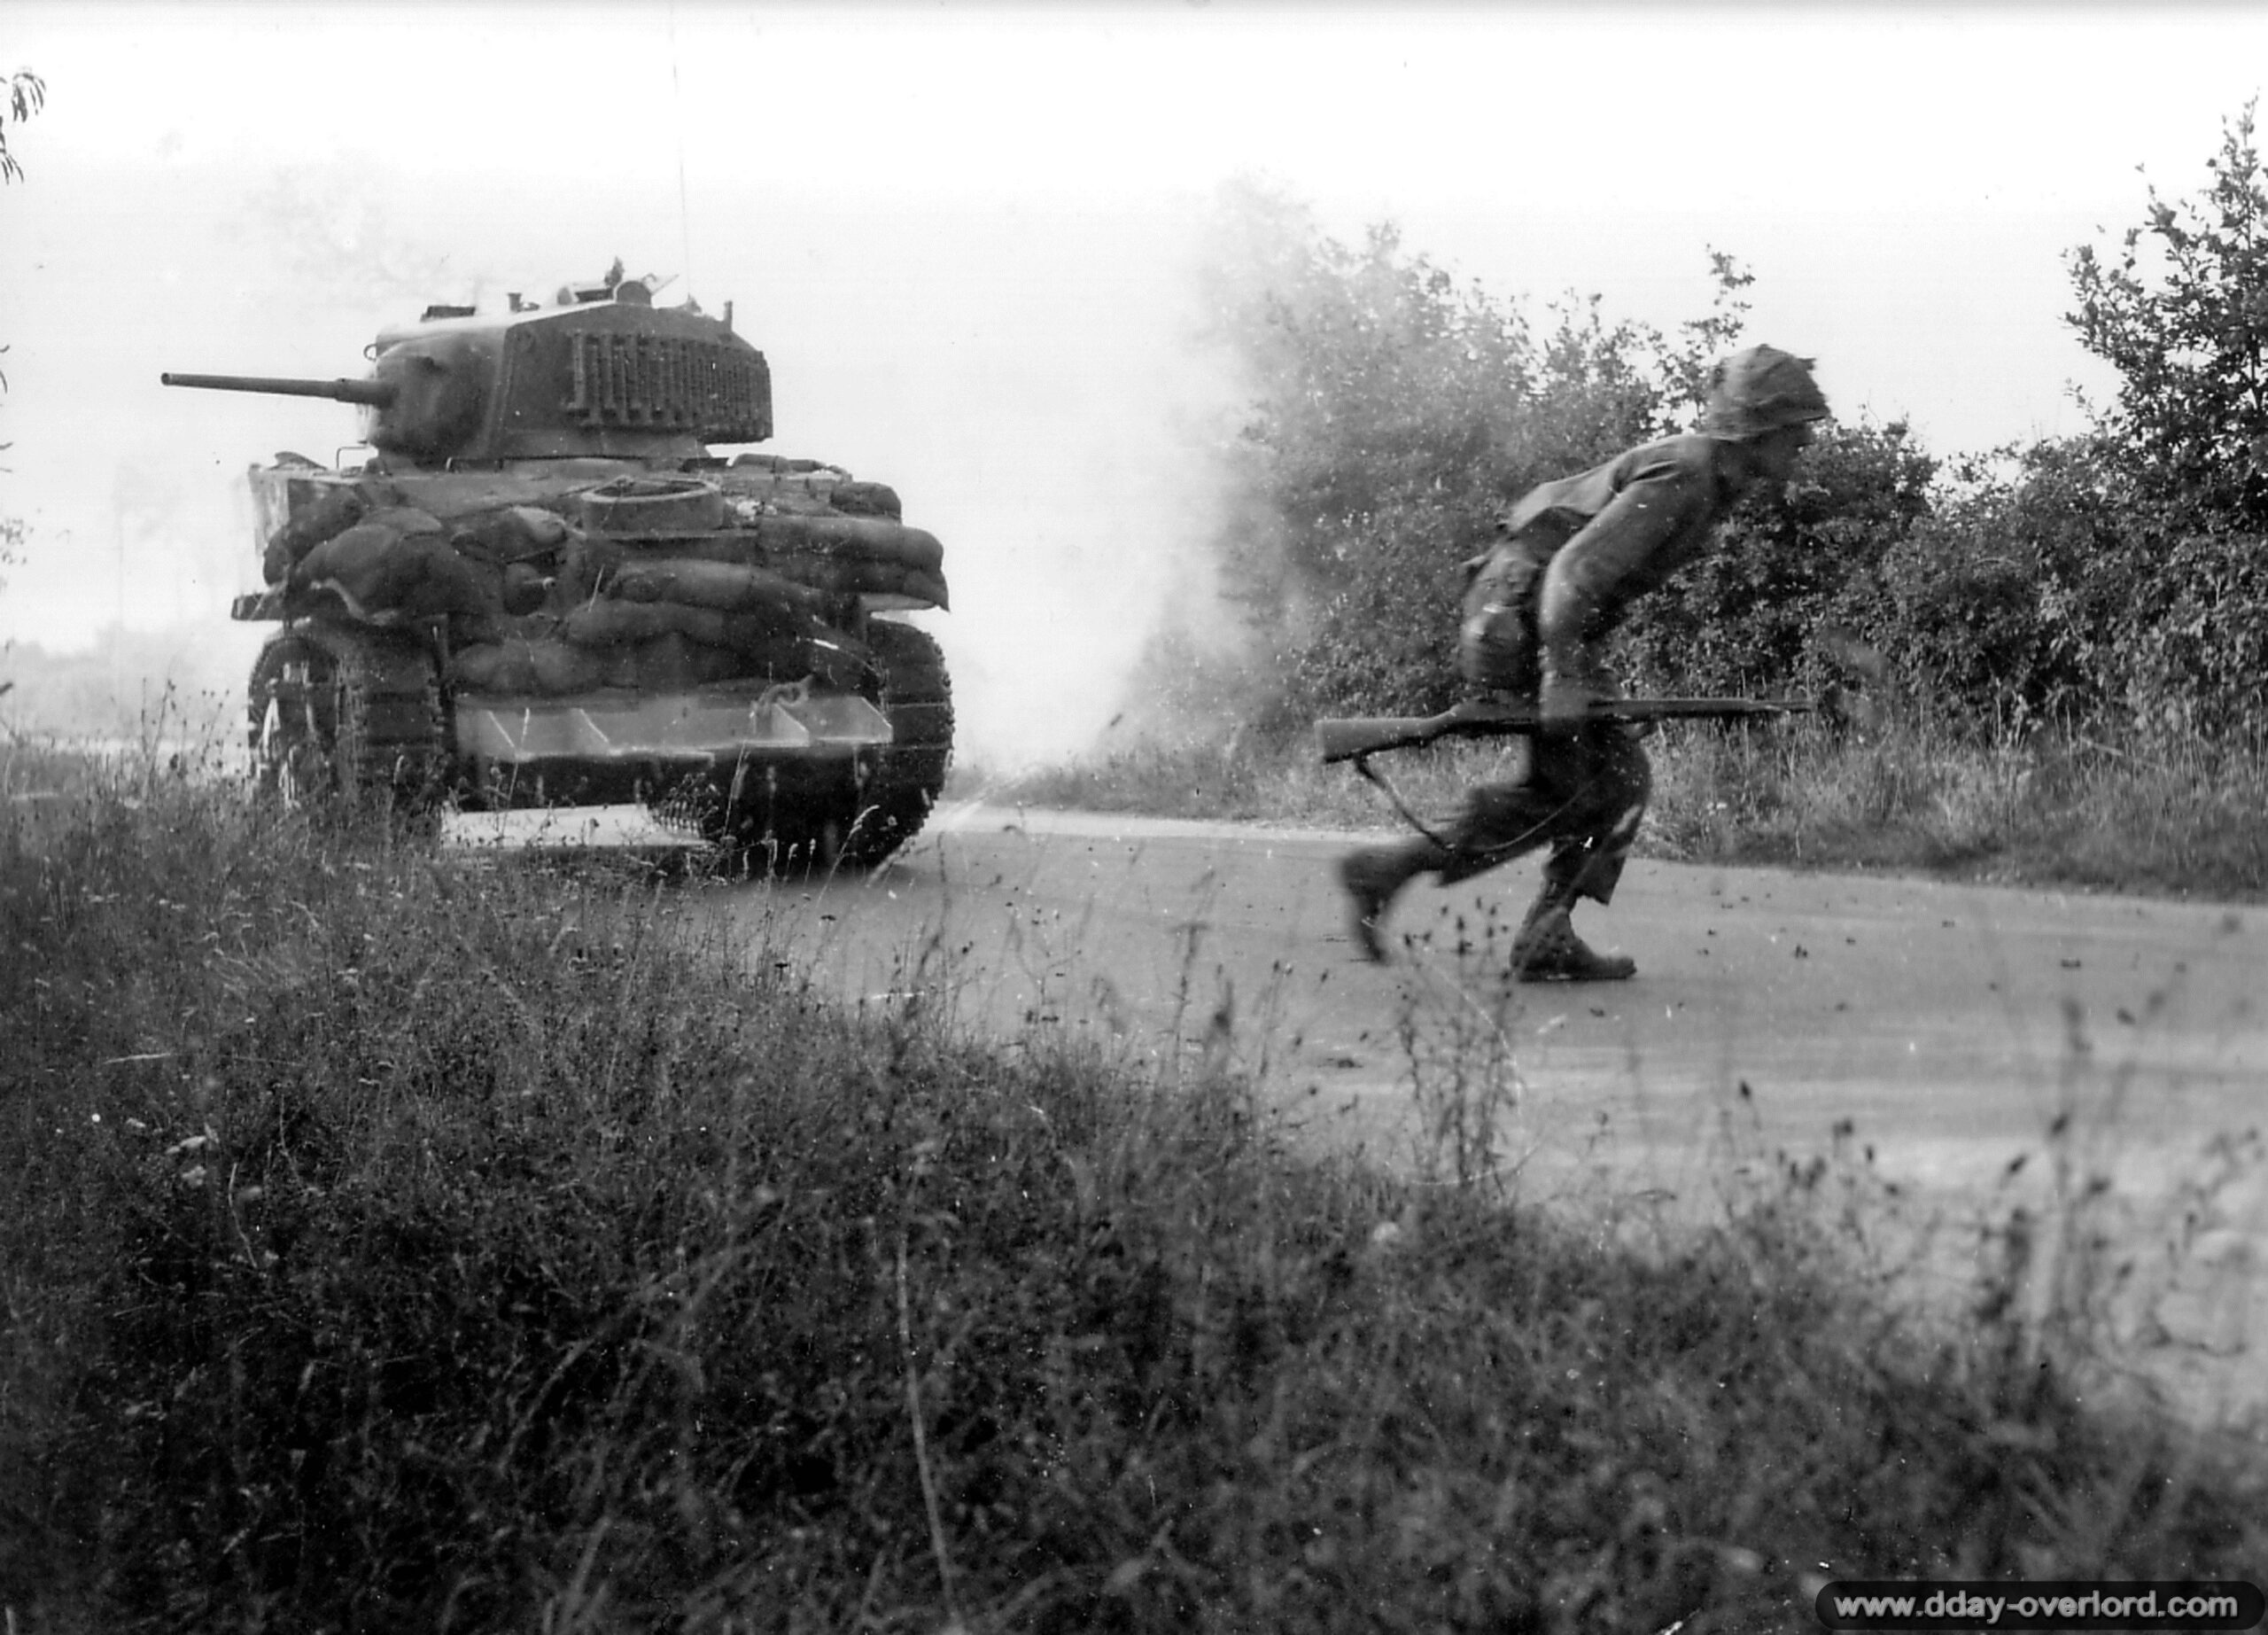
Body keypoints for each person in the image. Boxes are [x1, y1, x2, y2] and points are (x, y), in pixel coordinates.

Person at [1336, 344, 1830, 980]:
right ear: (1760, 426)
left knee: (1606, 783)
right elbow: (1572, 572)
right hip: (1517, 618)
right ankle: (1405, 877)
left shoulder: (1708, 479)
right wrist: (1564, 677)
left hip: (1522, 615)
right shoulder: (1687, 474)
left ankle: (1530, 924)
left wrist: (1586, 680)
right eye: (1797, 428)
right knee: (1589, 787)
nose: (1806, 442)